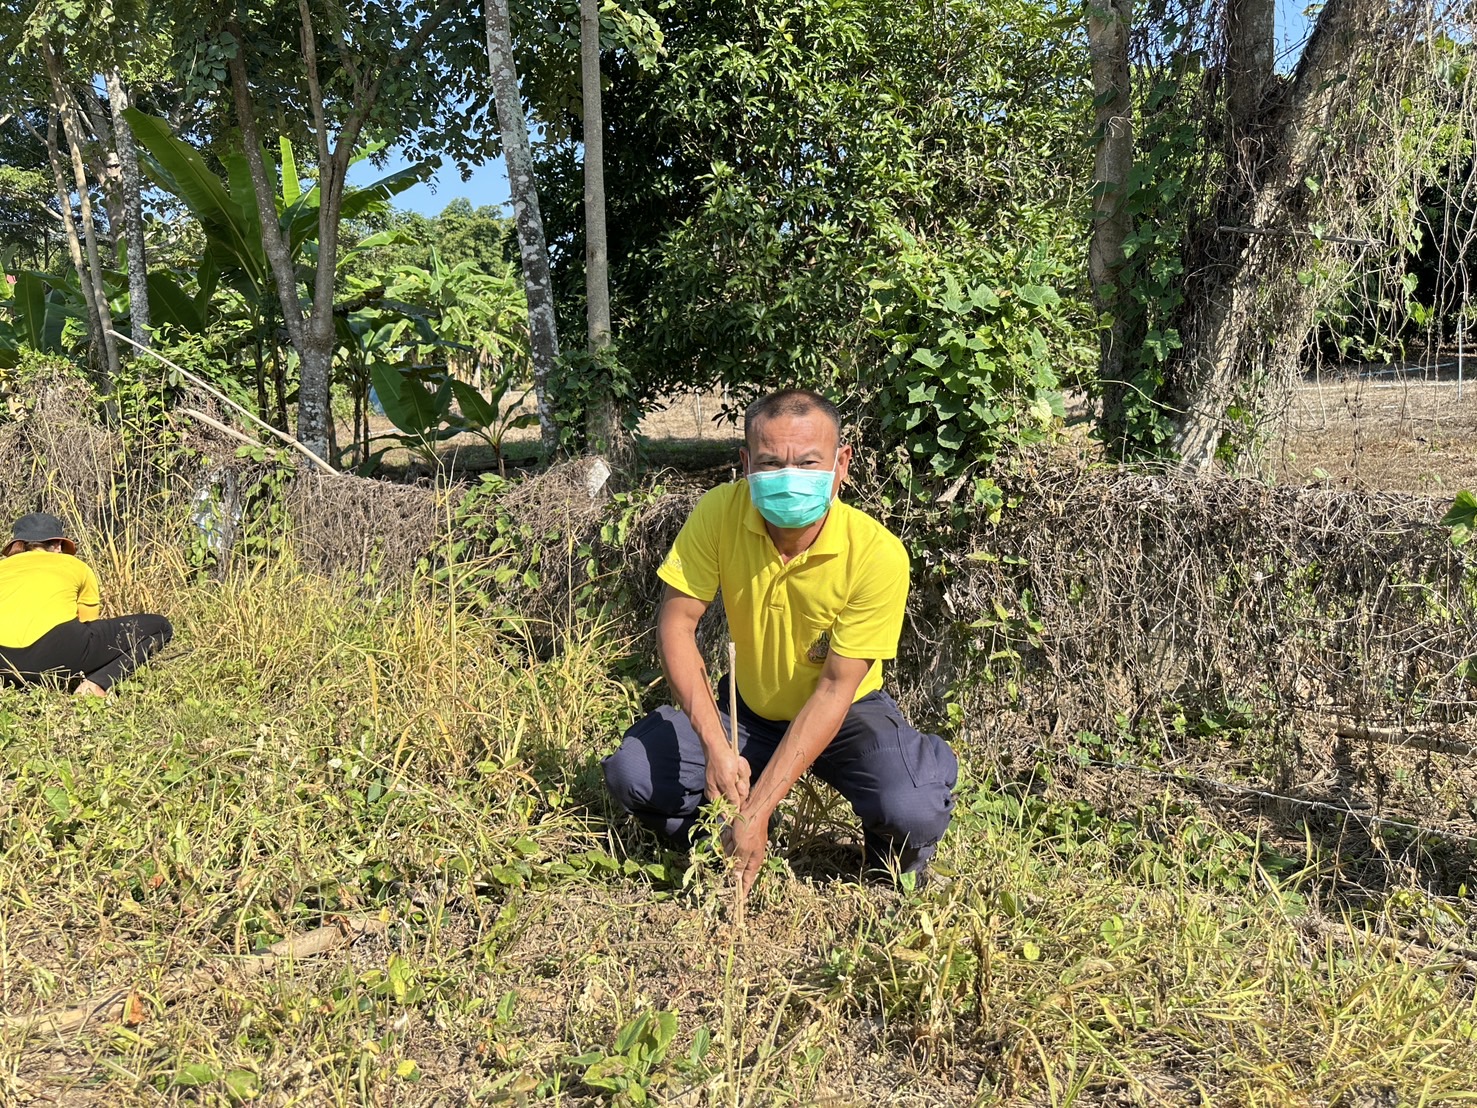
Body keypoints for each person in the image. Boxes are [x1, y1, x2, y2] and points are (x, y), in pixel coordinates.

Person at [603, 389, 958, 897]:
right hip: (749, 709)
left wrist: (758, 808)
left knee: (912, 807)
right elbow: (677, 625)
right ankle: (718, 844)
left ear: (841, 464)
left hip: (847, 713)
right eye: (771, 462)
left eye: (808, 462)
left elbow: (835, 689)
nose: (790, 477)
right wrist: (716, 746)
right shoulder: (719, 513)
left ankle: (898, 834)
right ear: (746, 464)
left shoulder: (877, 553)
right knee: (633, 771)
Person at [0, 512, 172, 696]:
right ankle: (96, 684)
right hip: (58, 653)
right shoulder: (76, 566)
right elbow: (88, 622)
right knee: (161, 627)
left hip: (4, 663)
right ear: (57, 544)